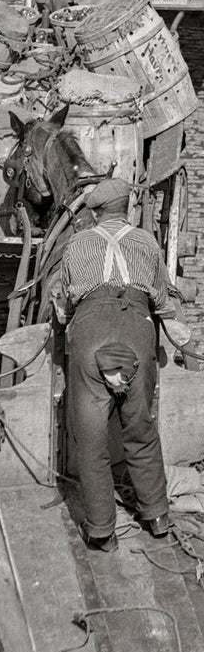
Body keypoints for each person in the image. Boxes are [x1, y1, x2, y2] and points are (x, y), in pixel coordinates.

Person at [55, 177, 190, 550]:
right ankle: (158, 516)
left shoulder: (77, 244)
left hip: (90, 332)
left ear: (95, 213)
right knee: (140, 427)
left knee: (91, 437)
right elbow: (162, 301)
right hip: (137, 329)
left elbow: (65, 308)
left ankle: (102, 531)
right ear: (128, 208)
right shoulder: (147, 242)